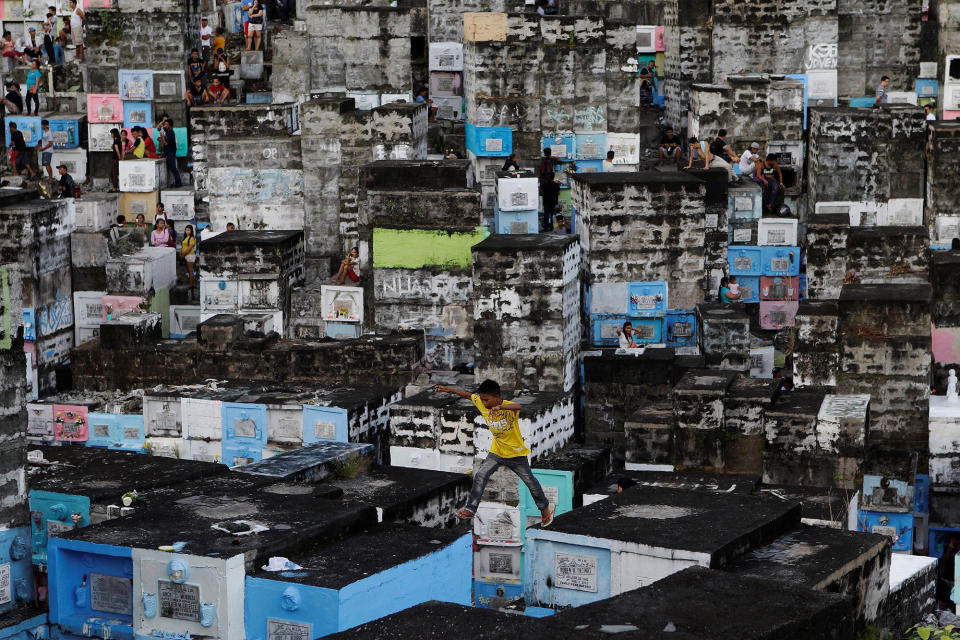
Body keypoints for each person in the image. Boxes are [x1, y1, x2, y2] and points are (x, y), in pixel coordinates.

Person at [433, 380, 555, 526]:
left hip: (516, 454)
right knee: (480, 475)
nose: (483, 403)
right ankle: (471, 509)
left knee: (530, 483)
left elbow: (519, 406)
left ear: (497, 397)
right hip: (497, 452)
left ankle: (545, 509)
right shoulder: (480, 402)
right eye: (482, 399)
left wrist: (500, 407)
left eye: (487, 400)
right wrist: (447, 389)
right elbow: (468, 395)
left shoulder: (508, 407)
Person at [162, 119, 182, 188]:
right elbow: (159, 128)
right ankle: (174, 182)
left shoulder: (171, 133)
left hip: (171, 152)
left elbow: (166, 143)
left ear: (170, 125)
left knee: (173, 168)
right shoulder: (167, 132)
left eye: (166, 124)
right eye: (165, 124)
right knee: (170, 168)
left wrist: (163, 138)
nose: (165, 126)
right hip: (168, 152)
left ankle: (178, 182)